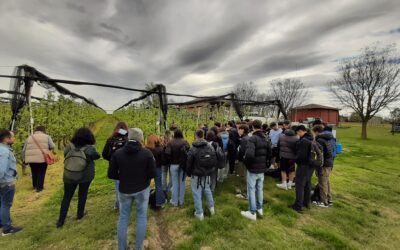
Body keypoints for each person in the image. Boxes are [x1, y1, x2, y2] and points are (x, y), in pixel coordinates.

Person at [108, 128, 156, 250]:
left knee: (123, 217)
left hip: (124, 189)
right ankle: (139, 247)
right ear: (141, 139)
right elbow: (152, 173)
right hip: (142, 189)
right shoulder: (147, 153)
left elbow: (111, 174)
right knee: (141, 216)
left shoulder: (118, 153)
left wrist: (123, 177)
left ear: (128, 137)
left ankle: (122, 247)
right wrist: (143, 178)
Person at [57, 128, 100, 228]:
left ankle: (61, 220)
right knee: (82, 194)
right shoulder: (89, 148)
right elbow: (97, 156)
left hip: (70, 174)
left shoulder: (69, 146)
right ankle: (80, 214)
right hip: (85, 175)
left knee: (67, 197)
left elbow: (65, 155)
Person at [241, 120, 271, 221]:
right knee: (259, 189)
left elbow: (249, 155)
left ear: (253, 127)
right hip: (262, 169)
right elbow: (270, 154)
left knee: (251, 190)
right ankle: (259, 208)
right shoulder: (266, 137)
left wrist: (246, 163)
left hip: (253, 169)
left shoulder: (252, 138)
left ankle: (252, 212)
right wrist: (266, 165)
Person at [186, 130, 217, 220]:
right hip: (207, 174)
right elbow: (214, 160)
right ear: (203, 135)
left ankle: (199, 213)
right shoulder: (210, 146)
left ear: (196, 136)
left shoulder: (193, 148)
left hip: (196, 174)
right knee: (207, 190)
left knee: (196, 193)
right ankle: (212, 208)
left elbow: (189, 162)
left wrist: (188, 173)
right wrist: (210, 171)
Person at [0, 129, 23, 235]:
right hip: (6, 182)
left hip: (4, 181)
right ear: (6, 138)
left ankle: (2, 222)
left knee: (2, 203)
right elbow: (1, 169)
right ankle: (7, 229)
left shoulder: (4, 149)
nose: (13, 138)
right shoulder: (4, 151)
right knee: (6, 204)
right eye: (12, 137)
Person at [102, 122, 129, 210]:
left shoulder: (110, 140)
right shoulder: (128, 139)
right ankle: (125, 203)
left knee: (117, 186)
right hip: (126, 166)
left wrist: (111, 160)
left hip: (115, 167)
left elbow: (104, 154)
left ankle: (118, 204)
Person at [22, 126, 55, 192]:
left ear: (36, 130)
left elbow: (24, 150)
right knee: (41, 172)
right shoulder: (47, 136)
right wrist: (47, 148)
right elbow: (52, 146)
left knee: (34, 172)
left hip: (31, 159)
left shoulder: (29, 137)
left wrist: (24, 159)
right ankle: (39, 188)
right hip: (42, 158)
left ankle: (35, 186)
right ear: (44, 130)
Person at [289, 125, 313, 213]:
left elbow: (301, 155)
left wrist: (294, 160)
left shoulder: (303, 141)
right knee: (307, 184)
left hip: (303, 165)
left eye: (297, 132)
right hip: (311, 165)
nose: (297, 134)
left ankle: (298, 206)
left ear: (300, 131)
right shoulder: (312, 138)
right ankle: (306, 203)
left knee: (299, 185)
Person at [165, 129, 189, 207]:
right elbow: (189, 153)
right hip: (182, 165)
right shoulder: (185, 142)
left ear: (174, 134)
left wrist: (170, 161)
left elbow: (167, 154)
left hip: (174, 165)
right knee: (182, 183)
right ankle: (181, 201)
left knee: (175, 183)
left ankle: (174, 202)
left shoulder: (170, 142)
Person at [313, 125, 334, 207]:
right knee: (327, 182)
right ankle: (329, 199)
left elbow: (320, 154)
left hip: (324, 164)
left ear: (317, 132)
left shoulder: (320, 140)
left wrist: (318, 165)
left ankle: (323, 201)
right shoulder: (329, 138)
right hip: (329, 163)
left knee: (322, 183)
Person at [146, 134, 166, 209]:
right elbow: (163, 161)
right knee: (158, 186)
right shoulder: (160, 149)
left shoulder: (146, 149)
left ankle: (146, 201)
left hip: (148, 169)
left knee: (146, 186)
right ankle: (159, 202)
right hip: (157, 168)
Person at [236, 124, 250, 199]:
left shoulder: (244, 139)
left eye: (239, 129)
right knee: (245, 175)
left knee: (243, 176)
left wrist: (239, 157)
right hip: (245, 160)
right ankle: (243, 190)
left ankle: (244, 194)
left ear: (243, 130)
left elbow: (242, 151)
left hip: (242, 160)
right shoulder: (246, 138)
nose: (238, 131)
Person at [161, 130, 173, 196]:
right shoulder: (171, 143)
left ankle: (165, 190)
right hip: (169, 162)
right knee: (171, 177)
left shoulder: (162, 143)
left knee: (164, 176)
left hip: (164, 162)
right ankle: (167, 190)